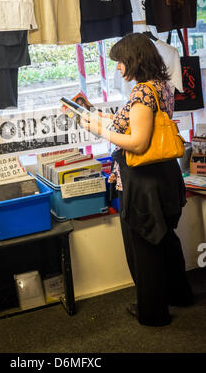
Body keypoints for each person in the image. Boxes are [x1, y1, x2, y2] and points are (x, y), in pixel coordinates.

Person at [79, 33, 194, 327]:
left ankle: (153, 313)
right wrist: (98, 120)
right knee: (166, 238)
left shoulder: (141, 92)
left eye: (120, 61)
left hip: (143, 182)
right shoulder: (162, 86)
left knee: (143, 246)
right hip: (165, 176)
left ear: (135, 60)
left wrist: (99, 131)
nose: (118, 67)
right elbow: (134, 124)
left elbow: (138, 143)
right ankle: (179, 295)